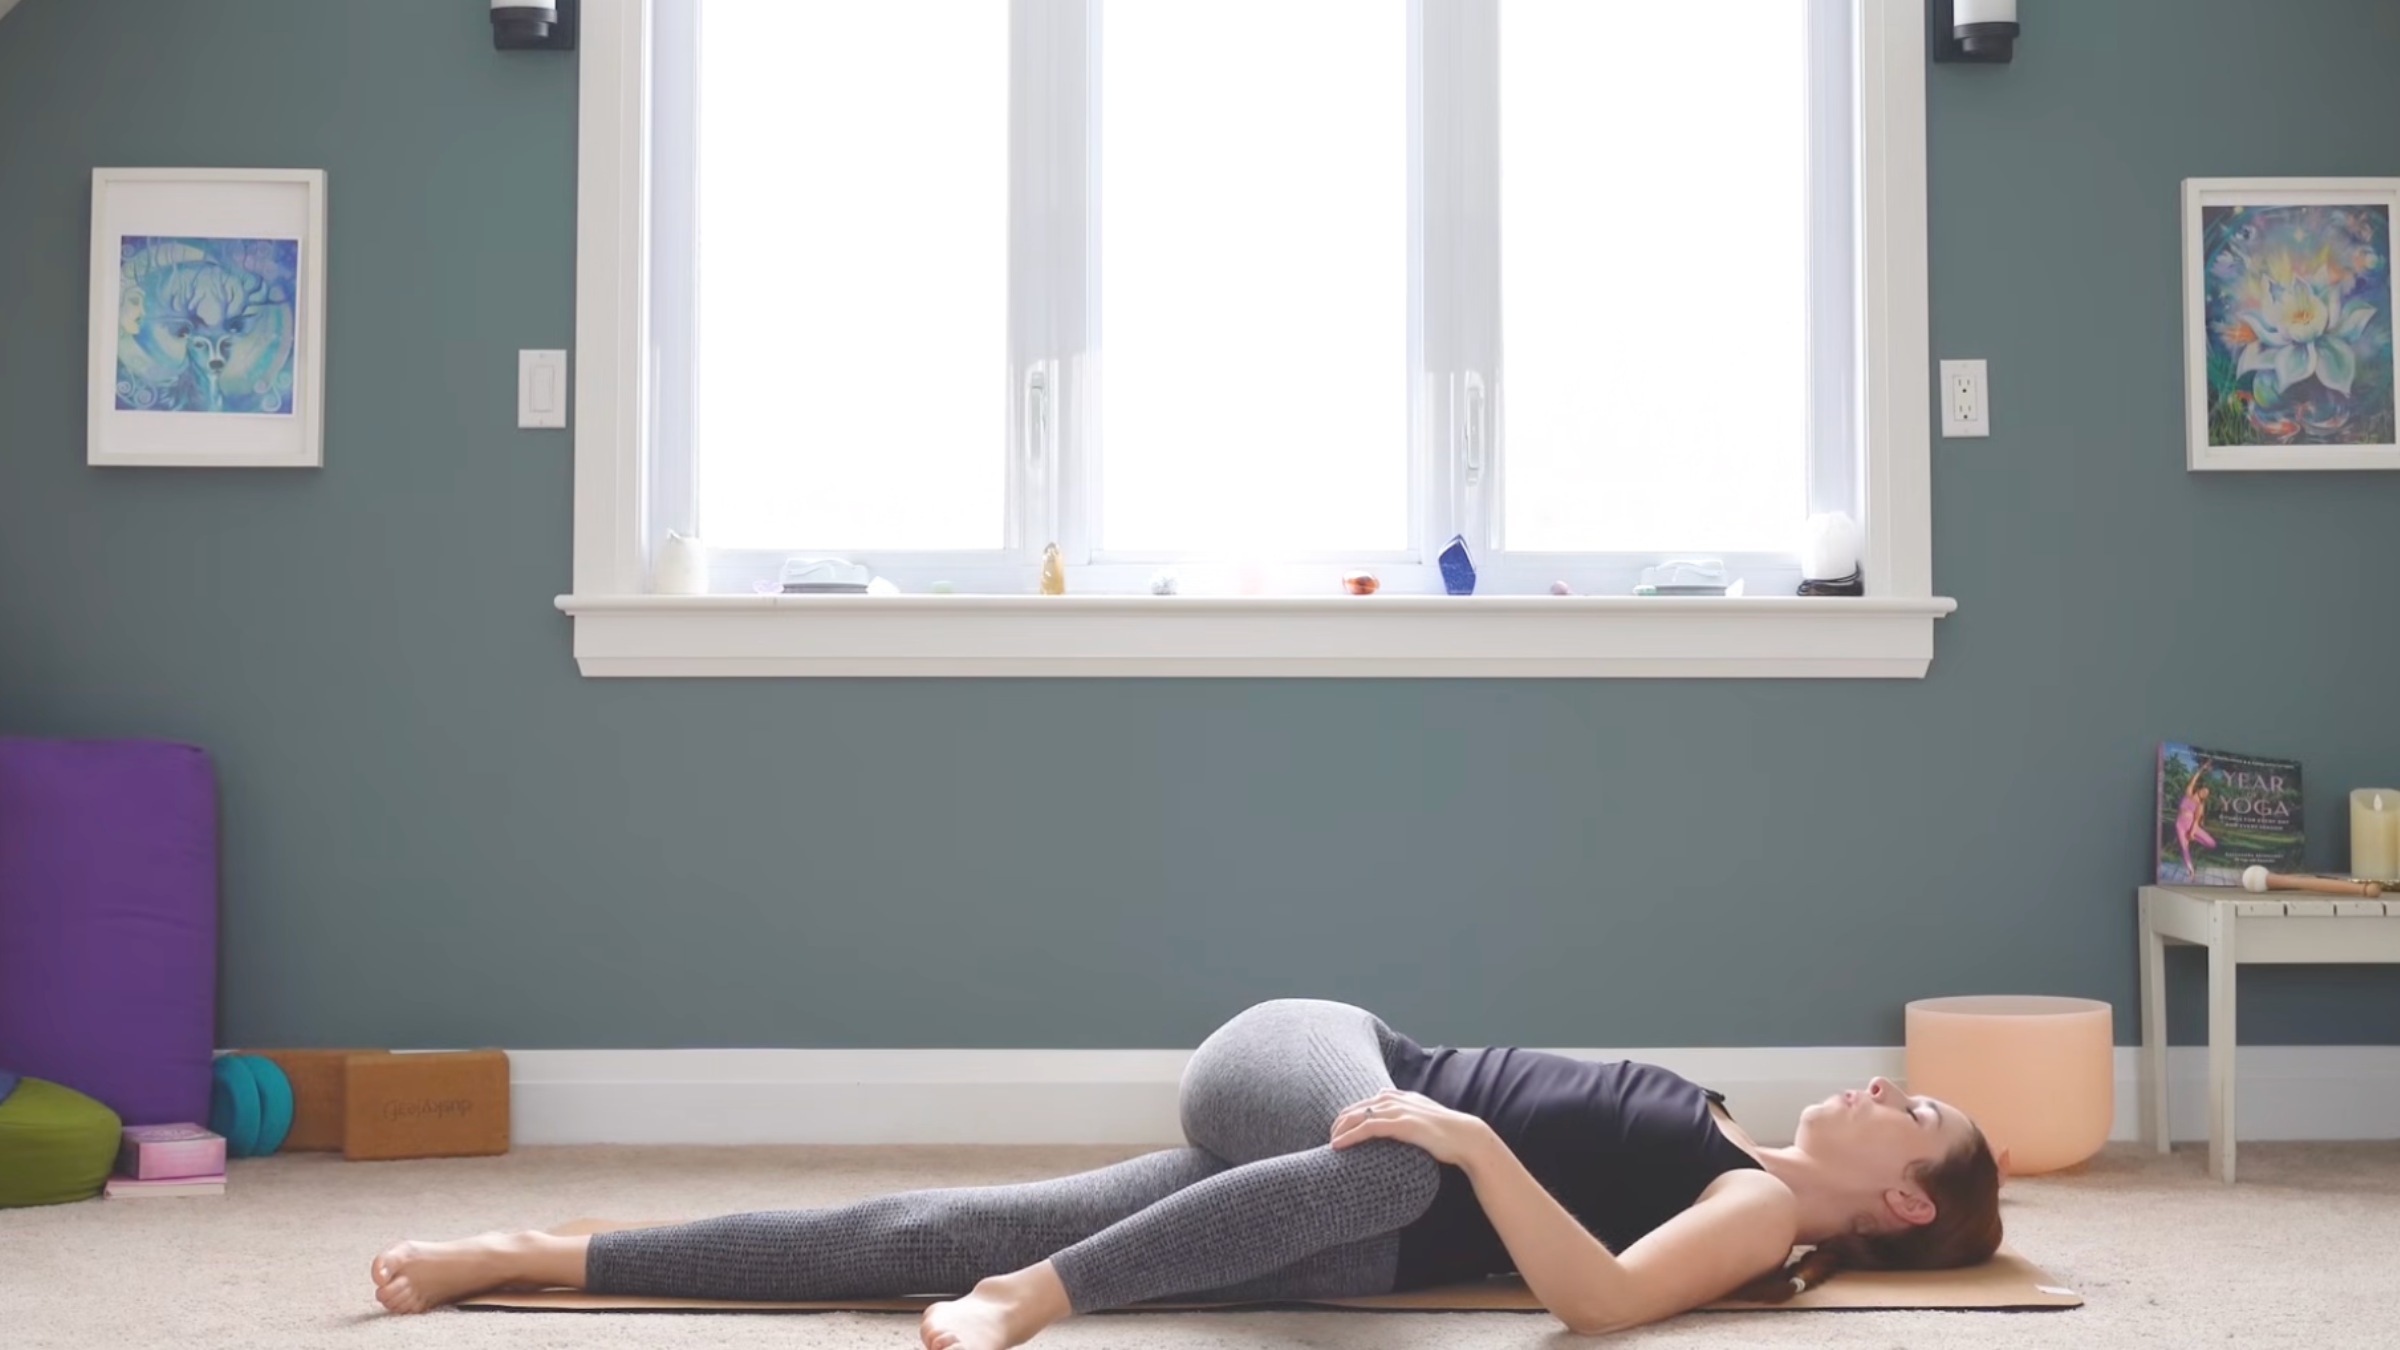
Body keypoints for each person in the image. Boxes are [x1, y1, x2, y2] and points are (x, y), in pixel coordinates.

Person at [369, 998, 2003, 1346]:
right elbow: (1435, 1148)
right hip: (1313, 1066)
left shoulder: (1767, 1210)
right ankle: (1036, 1302)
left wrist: (1475, 1148)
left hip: (1338, 1202)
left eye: (1908, 1111)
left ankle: (530, 1255)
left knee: (924, 1229)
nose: (1879, 1087)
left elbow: (1601, 1304)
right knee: (1375, 1175)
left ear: (1906, 1205)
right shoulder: (1731, 1133)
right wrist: (1446, 1128)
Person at [2177, 757, 2218, 879]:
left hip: (2190, 825)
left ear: (2205, 797)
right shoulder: (2189, 793)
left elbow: (2196, 821)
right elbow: (2193, 780)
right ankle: (2191, 871)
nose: (2205, 792)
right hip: (2179, 824)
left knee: (2212, 844)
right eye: (2204, 789)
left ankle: (2193, 838)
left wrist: (2192, 833)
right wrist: (2201, 769)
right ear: (2200, 789)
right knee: (2184, 848)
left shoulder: (2200, 805)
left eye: (2207, 793)